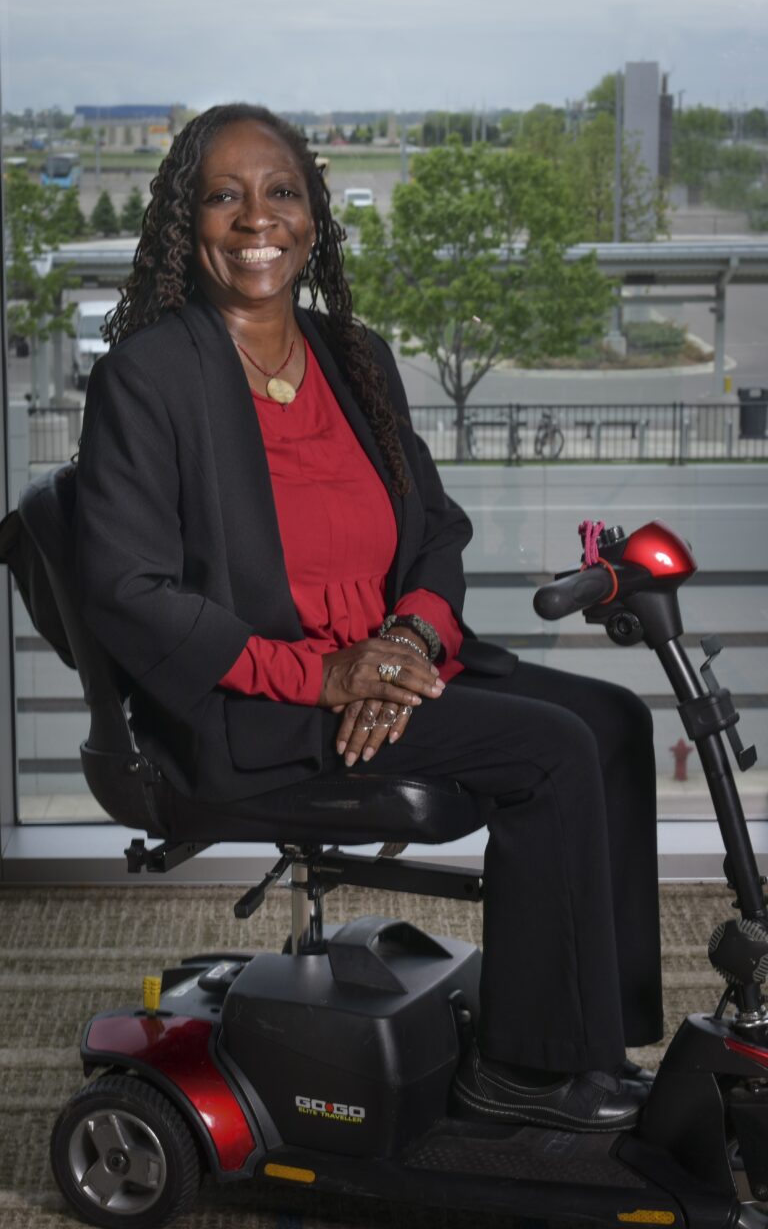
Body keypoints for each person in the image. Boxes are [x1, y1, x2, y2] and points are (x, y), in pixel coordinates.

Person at [75, 103, 663, 1134]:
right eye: (225, 195)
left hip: (391, 664)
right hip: (259, 702)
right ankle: (526, 1071)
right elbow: (128, 588)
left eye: (281, 192)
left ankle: (596, 1035)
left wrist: (409, 639)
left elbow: (434, 528)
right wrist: (326, 676)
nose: (257, 218)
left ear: (314, 216)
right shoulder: (148, 378)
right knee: (553, 752)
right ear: (188, 221)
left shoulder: (355, 355)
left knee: (616, 720)